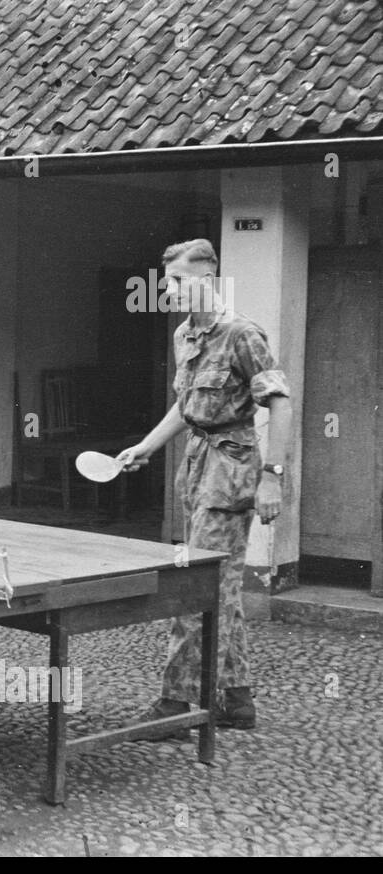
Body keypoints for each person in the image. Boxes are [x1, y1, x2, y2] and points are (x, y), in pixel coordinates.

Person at [117, 238, 291, 738]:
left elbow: (279, 402)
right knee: (222, 585)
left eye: (179, 280)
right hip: (196, 463)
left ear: (209, 277)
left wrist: (272, 477)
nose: (169, 290)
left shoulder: (241, 333)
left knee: (195, 582)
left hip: (233, 466)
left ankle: (176, 705)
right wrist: (145, 447)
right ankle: (236, 701)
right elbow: (185, 405)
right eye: (166, 281)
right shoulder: (184, 336)